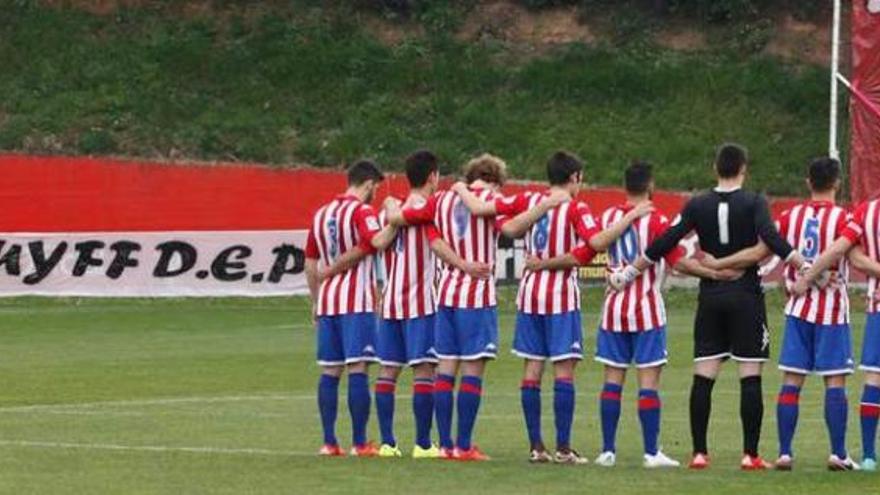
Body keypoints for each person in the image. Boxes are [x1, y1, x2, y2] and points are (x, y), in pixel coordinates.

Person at [525, 160, 740, 468]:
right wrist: (714, 273)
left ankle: (608, 451)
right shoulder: (655, 219)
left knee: (612, 381)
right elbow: (678, 261)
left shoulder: (610, 217)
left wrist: (543, 263)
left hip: (613, 311)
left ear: (625, 186)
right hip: (646, 310)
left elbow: (586, 252)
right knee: (648, 383)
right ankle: (651, 452)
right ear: (650, 185)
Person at [452, 151, 651, 464]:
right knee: (563, 370)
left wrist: (462, 189)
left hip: (530, 293)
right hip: (559, 295)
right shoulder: (575, 206)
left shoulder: (530, 199)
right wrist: (630, 217)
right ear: (574, 178)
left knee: (532, 369)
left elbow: (507, 228)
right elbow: (597, 242)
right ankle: (562, 448)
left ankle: (536, 447)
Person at [617, 143, 804, 470]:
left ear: (715, 168)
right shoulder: (755, 202)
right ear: (743, 168)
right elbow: (771, 239)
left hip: (711, 296)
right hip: (745, 293)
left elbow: (667, 240)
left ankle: (700, 453)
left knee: (704, 375)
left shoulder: (697, 203)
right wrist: (803, 264)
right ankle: (750, 455)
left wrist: (632, 269)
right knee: (750, 374)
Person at [318, 151, 492, 459]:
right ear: (433, 177)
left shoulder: (389, 210)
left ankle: (387, 442)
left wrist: (389, 205)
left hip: (390, 304)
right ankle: (424, 444)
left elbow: (380, 238)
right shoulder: (430, 209)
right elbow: (439, 240)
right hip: (421, 302)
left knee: (388, 372)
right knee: (424, 372)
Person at [702, 157, 861, 471]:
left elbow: (762, 251)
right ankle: (838, 453)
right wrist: (812, 276)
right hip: (830, 310)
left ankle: (786, 453)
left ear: (807, 183)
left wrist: (720, 264)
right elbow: (838, 251)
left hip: (797, 310)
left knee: (792, 381)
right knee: (835, 382)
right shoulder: (846, 218)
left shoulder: (790, 216)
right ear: (838, 183)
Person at [383, 153, 517, 461]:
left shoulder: (441, 200)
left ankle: (444, 444)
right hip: (476, 295)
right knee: (472, 369)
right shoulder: (490, 199)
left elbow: (420, 231)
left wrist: (391, 205)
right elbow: (511, 229)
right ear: (496, 180)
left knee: (445, 371)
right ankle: (465, 445)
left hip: (445, 295)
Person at [304, 159, 400, 457]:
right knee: (358, 367)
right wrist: (395, 218)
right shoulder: (362, 211)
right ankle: (360, 442)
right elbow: (377, 241)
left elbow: (309, 262)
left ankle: (329, 442)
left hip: (329, 301)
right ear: (369, 184)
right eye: (376, 188)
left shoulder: (321, 214)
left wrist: (316, 299)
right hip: (356, 300)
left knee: (330, 369)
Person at [792, 175, 880, 471]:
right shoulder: (858, 214)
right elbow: (844, 252)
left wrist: (803, 276)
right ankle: (854, 454)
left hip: (875, 305)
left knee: (873, 378)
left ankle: (867, 456)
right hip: (844, 309)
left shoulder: (866, 213)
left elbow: (853, 256)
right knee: (855, 378)